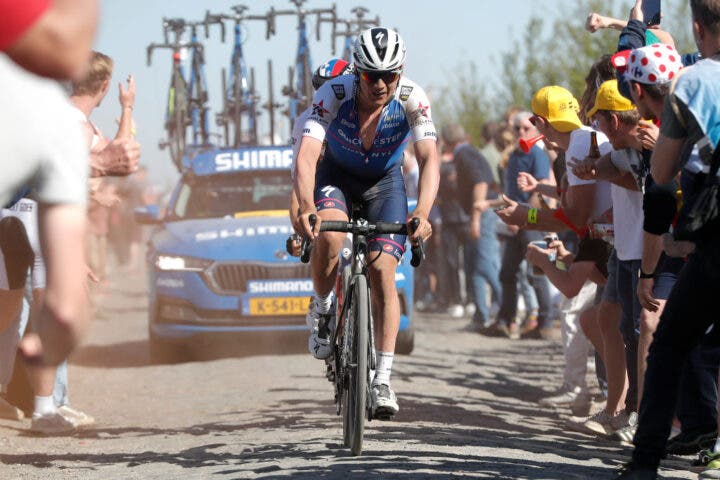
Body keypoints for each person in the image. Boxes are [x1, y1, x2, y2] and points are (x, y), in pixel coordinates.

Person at [295, 27, 438, 418]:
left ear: (400, 72)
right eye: (371, 75)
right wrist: (306, 206)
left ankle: (383, 379)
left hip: (385, 183)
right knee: (329, 236)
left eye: (389, 75)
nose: (380, 84)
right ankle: (323, 307)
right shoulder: (334, 93)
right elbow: (306, 156)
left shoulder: (412, 97)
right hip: (336, 176)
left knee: (382, 270)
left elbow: (429, 159)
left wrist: (422, 213)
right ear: (356, 72)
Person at [617, 1, 720, 478]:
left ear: (697, 27)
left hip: (714, 243)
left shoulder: (693, 83)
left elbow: (660, 176)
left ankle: (644, 462)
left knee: (670, 345)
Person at [493, 111, 554, 339]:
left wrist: (522, 217)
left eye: (526, 128)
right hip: (516, 222)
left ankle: (545, 323)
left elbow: (539, 191)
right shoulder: (515, 154)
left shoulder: (537, 154)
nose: (521, 132)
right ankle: (506, 321)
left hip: (531, 222)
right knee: (507, 273)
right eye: (517, 128)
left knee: (536, 271)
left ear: (535, 130)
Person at [288, 58, 353, 255]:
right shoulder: (306, 120)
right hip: (328, 184)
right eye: (322, 90)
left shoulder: (367, 110)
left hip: (362, 180)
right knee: (327, 244)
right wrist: (299, 228)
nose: (328, 97)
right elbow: (300, 175)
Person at [440, 123, 502, 330]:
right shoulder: (466, 153)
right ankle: (481, 316)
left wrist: (475, 218)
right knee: (474, 267)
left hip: (482, 214)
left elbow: (481, 182)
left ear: (446, 141)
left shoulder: (465, 154)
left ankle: (505, 310)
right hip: (477, 214)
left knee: (484, 264)